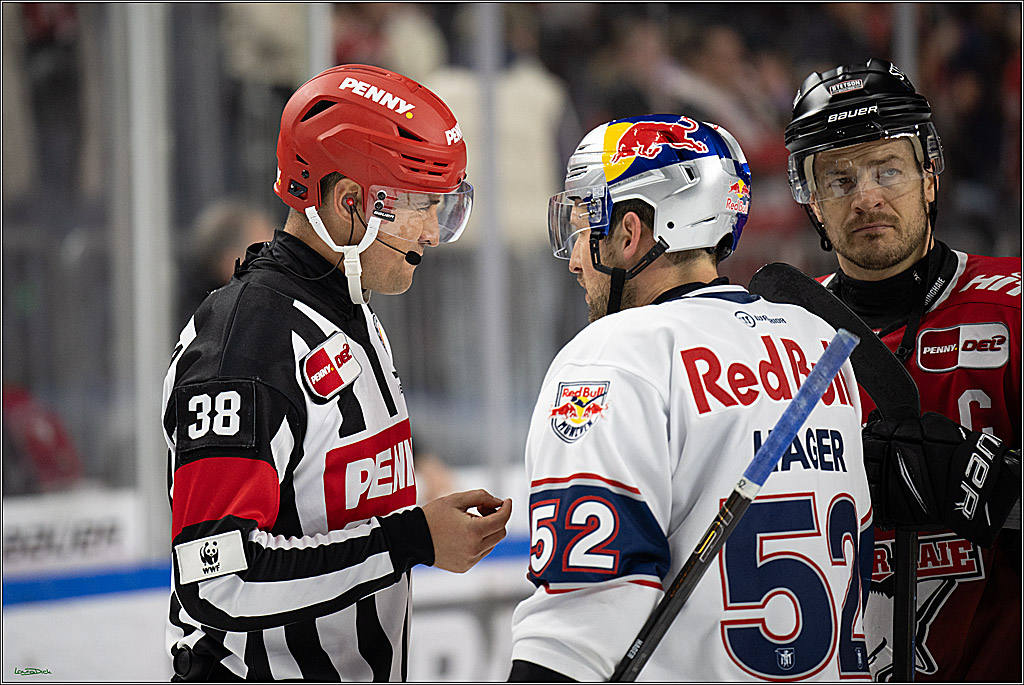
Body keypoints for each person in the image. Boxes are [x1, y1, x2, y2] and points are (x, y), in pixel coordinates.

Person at [161, 64, 512, 681]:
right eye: (418, 204)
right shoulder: (244, 346)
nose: (432, 232)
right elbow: (217, 581)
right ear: (349, 200)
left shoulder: (349, 308)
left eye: (442, 206)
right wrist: (410, 540)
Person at [509, 114, 874, 680]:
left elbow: (577, 628)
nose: (576, 259)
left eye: (584, 227)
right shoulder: (817, 342)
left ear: (629, 233)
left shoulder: (613, 357)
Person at [783, 58, 1021, 681]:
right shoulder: (781, 341)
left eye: (887, 169)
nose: (866, 196)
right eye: (839, 179)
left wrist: (993, 488)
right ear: (813, 203)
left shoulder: (1014, 309)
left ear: (929, 176)